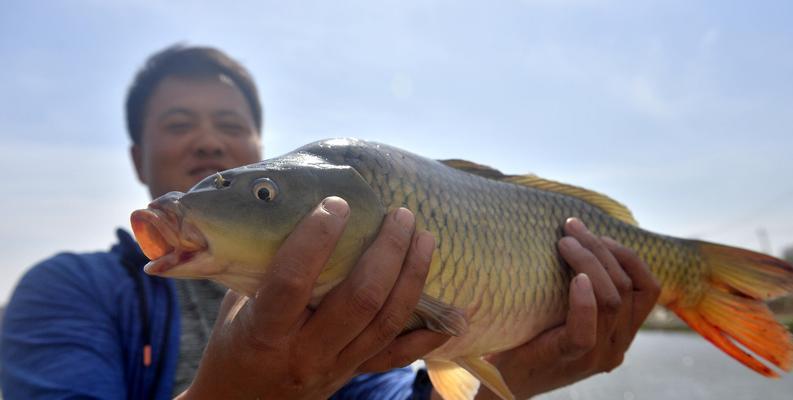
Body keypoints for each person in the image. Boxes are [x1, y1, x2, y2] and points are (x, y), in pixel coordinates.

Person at [0, 45, 660, 399]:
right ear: (137, 157)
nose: (208, 143)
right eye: (178, 126)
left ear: (263, 152)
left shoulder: (342, 295)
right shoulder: (68, 292)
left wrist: (517, 380)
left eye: (230, 128)